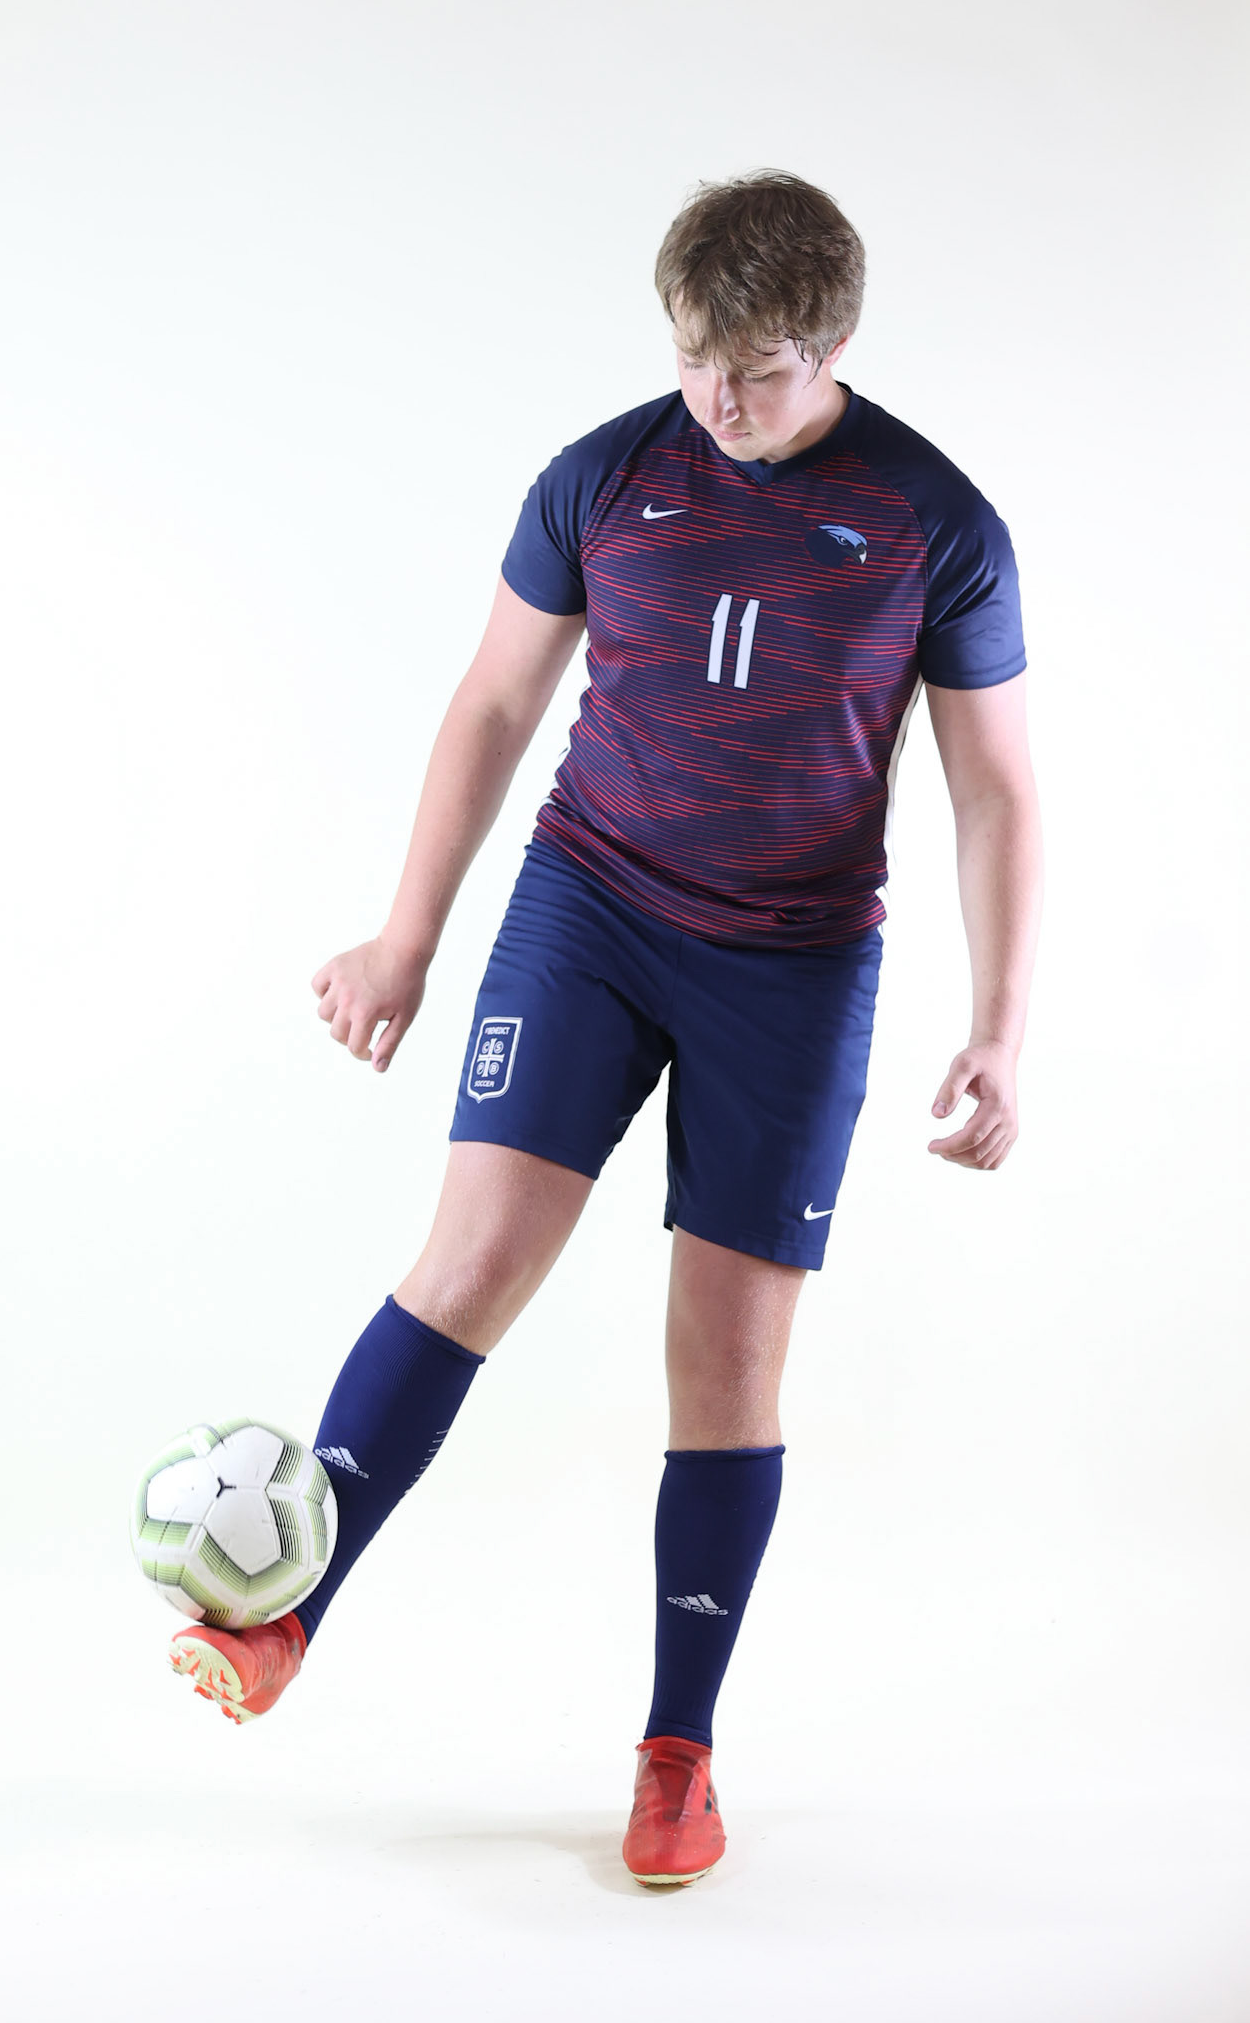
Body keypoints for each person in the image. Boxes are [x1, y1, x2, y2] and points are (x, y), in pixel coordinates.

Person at [166, 169, 1044, 1888]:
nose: (725, 401)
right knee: (469, 1259)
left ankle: (676, 1753)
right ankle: (283, 1616)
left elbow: (997, 791)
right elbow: (499, 697)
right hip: (590, 909)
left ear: (840, 340)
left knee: (723, 1359)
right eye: (700, 360)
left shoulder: (939, 522)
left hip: (790, 968)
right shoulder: (608, 473)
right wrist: (406, 936)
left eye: (766, 370)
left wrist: (1002, 1026)